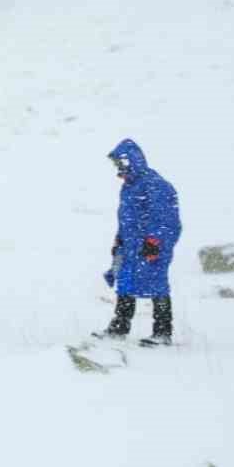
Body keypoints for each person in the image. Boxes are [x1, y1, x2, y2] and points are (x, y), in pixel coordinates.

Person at [99, 138, 181, 345]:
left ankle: (163, 332)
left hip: (151, 247)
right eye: (116, 164)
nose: (118, 167)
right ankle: (119, 327)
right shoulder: (129, 186)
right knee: (125, 284)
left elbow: (166, 218)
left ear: (131, 161)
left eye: (121, 163)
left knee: (157, 285)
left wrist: (154, 241)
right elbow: (128, 218)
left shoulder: (154, 184)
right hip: (132, 245)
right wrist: (119, 239)